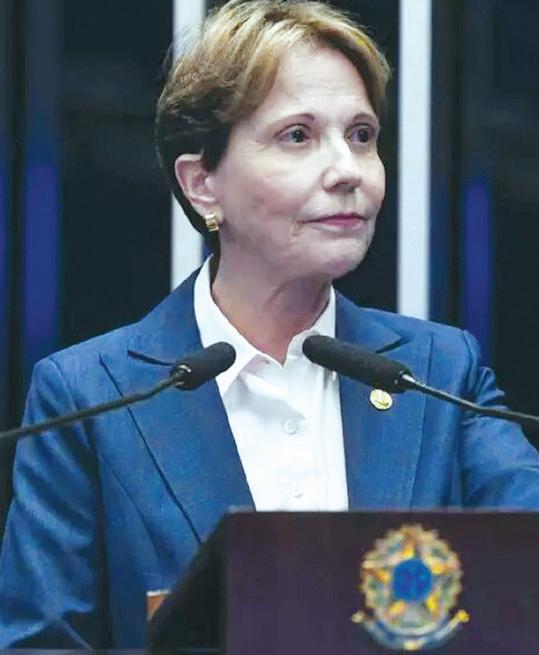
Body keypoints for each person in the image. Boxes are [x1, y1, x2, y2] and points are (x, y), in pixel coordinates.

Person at [1, 0, 539, 648]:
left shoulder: (440, 373)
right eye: (297, 136)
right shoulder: (89, 397)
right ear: (203, 184)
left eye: (361, 135)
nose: (347, 171)